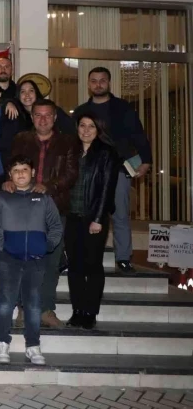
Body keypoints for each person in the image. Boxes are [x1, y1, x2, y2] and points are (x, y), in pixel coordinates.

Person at [7, 98, 79, 328]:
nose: (43, 119)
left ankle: (46, 309)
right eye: (38, 115)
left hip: (54, 208)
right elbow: (12, 168)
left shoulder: (68, 142)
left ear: (55, 117)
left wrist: (49, 186)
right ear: (32, 117)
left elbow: (71, 174)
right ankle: (23, 310)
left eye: (48, 115)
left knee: (51, 262)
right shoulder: (21, 139)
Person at [0, 155, 63, 366]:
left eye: (25, 169)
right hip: (8, 259)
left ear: (33, 173)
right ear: (10, 174)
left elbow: (56, 226)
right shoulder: (1, 197)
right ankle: (2, 343)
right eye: (16, 170)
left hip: (36, 260)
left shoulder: (43, 198)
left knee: (33, 305)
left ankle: (33, 345)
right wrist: (4, 244)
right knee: (5, 303)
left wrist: (47, 245)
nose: (20, 173)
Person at [73, 67, 152, 273]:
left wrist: (146, 160)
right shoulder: (81, 111)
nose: (98, 84)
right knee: (84, 212)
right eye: (94, 81)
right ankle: (83, 254)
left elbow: (138, 134)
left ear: (109, 83)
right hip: (88, 169)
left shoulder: (122, 107)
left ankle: (123, 257)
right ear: (88, 84)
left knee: (120, 213)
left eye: (102, 80)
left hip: (118, 168)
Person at [65, 113, 119, 330]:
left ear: (99, 130)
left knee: (93, 265)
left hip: (94, 218)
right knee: (74, 266)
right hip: (71, 216)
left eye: (91, 126)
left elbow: (107, 189)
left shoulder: (106, 153)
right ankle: (77, 310)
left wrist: (98, 219)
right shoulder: (71, 150)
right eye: (82, 125)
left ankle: (90, 312)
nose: (86, 130)